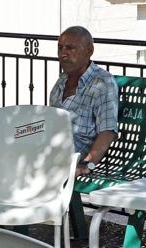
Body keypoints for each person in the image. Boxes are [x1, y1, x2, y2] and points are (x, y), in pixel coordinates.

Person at [48, 26, 119, 176]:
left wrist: (87, 165)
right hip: (49, 149)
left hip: (70, 157)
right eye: (60, 48)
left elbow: (108, 132)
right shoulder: (62, 81)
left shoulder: (102, 83)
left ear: (89, 51)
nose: (63, 54)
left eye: (70, 48)